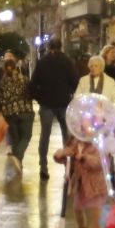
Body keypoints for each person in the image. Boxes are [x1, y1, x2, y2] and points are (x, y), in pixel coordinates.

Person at [29, 39, 78, 180]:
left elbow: (33, 84)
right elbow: (75, 82)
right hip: (64, 103)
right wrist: (68, 93)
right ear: (61, 46)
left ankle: (43, 166)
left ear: (49, 47)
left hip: (46, 104)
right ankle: (68, 166)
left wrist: (39, 97)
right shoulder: (68, 62)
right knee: (67, 137)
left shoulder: (42, 62)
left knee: (45, 136)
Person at [54, 132, 109, 228]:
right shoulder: (77, 143)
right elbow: (69, 152)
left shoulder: (99, 145)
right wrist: (61, 154)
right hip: (81, 184)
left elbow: (99, 163)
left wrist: (84, 158)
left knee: (96, 214)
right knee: (77, 208)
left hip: (96, 186)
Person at [0, 52, 35, 181]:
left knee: (15, 139)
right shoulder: (25, 79)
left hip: (9, 114)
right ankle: (18, 157)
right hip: (25, 112)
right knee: (26, 136)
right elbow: (31, 93)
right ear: (16, 67)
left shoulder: (2, 82)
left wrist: (2, 107)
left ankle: (18, 163)